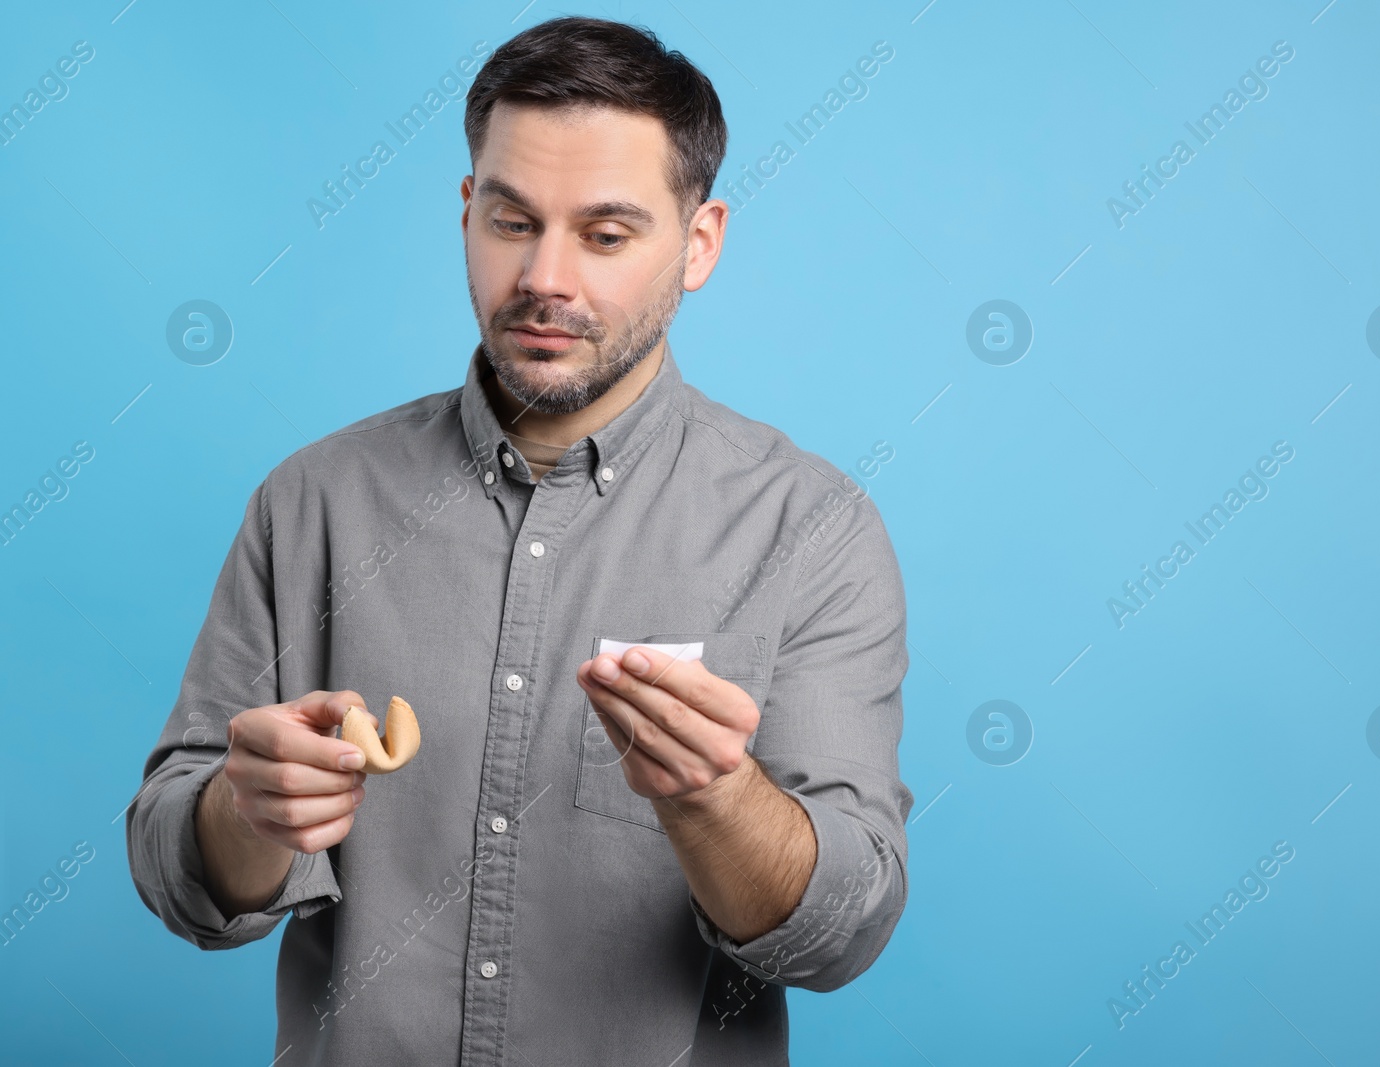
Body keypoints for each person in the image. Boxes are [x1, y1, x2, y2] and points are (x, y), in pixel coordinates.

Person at [124, 15, 912, 1066]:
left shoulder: (811, 529)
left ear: (700, 244)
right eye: (512, 220)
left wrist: (718, 798)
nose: (546, 276)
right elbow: (180, 874)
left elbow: (843, 930)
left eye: (605, 234)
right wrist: (247, 811)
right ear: (466, 214)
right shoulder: (312, 500)